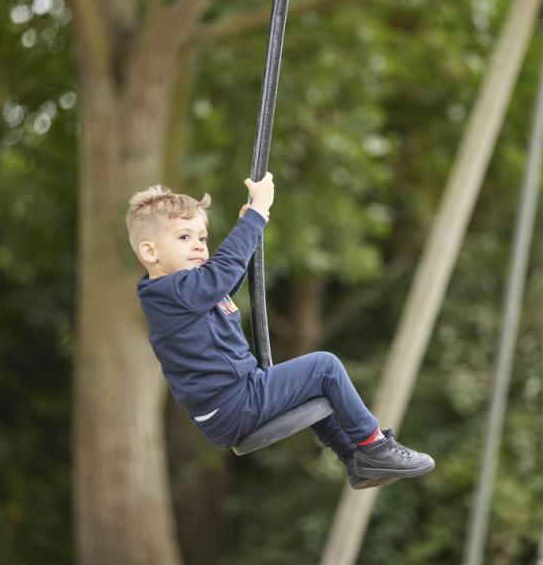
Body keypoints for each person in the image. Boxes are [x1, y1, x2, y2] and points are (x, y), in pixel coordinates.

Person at [127, 173, 435, 488]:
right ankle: (375, 447)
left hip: (235, 400)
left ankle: (356, 460)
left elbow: (227, 277)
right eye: (184, 238)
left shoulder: (189, 292)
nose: (198, 246)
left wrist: (248, 228)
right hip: (234, 403)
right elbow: (222, 273)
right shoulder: (171, 291)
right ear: (151, 253)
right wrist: (256, 214)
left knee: (318, 390)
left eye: (202, 238)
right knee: (324, 367)